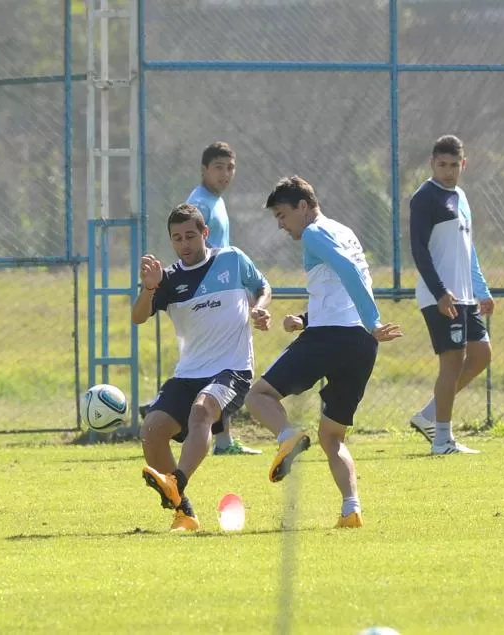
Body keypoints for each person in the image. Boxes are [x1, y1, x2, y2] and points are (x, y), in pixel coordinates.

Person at [244, 176, 402, 529]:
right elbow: (346, 285)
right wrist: (306, 317)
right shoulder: (344, 231)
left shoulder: (315, 233)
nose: (282, 225)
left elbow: (346, 272)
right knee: (332, 436)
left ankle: (288, 437)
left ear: (303, 206)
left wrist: (374, 320)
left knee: (258, 396)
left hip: (332, 337)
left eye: (283, 215)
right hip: (360, 343)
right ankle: (351, 509)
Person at [132, 203, 272, 532]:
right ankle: (185, 513)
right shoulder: (168, 279)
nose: (185, 244)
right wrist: (150, 288)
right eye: (177, 238)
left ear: (205, 233)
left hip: (233, 370)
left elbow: (264, 287)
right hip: (188, 373)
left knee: (201, 412)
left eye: (191, 236)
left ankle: (175, 483)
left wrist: (260, 309)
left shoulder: (232, 259)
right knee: (151, 431)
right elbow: (138, 317)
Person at [139, 141, 261, 456]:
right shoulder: (199, 202)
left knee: (221, 372)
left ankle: (221, 440)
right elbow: (189, 243)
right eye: (218, 167)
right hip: (203, 294)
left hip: (223, 290)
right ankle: (205, 432)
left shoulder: (216, 201)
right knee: (209, 370)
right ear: (204, 169)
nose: (225, 174)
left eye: (230, 168)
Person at [408, 134, 495, 455]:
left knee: (482, 354)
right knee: (452, 364)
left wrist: (481, 291)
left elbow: (468, 252)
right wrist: (441, 292)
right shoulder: (425, 197)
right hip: (440, 297)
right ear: (432, 163)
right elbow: (418, 249)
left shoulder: (460, 196)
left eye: (454, 165)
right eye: (441, 165)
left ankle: (429, 416)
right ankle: (442, 440)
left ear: (464, 164)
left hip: (466, 297)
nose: (448, 171)